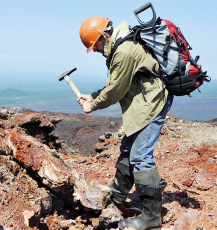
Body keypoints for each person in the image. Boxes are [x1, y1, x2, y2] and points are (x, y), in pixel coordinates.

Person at [78, 16, 174, 230]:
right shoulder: (119, 47)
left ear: (104, 36)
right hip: (141, 102)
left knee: (141, 156)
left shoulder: (124, 51)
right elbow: (117, 83)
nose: (94, 50)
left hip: (152, 103)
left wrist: (92, 105)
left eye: (95, 45)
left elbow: (115, 91)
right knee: (128, 148)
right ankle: (118, 195)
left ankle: (152, 217)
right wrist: (92, 96)